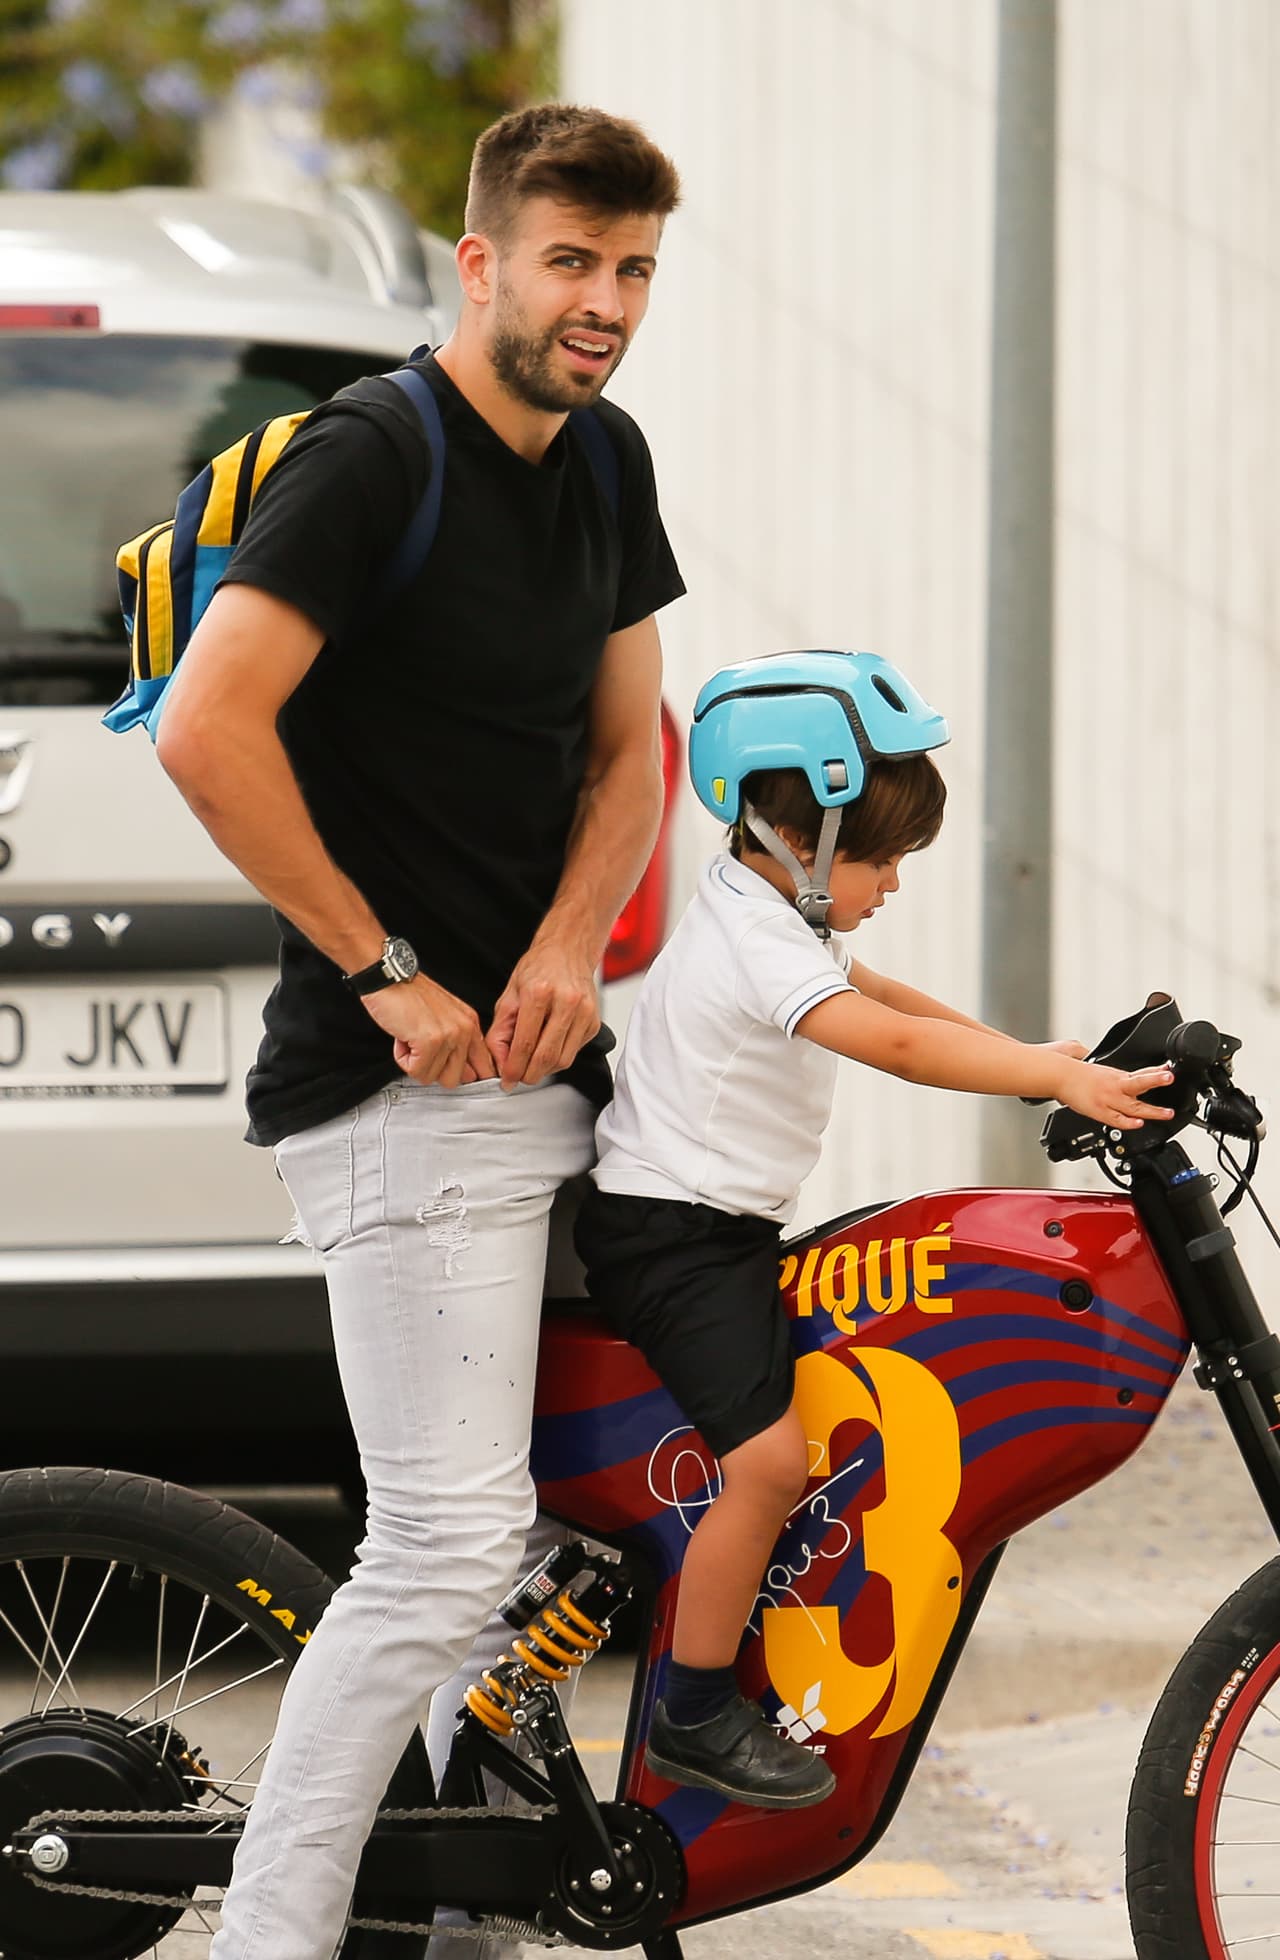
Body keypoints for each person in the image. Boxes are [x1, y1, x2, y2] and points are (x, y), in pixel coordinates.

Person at [154, 103, 685, 1959]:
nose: (603, 302)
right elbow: (206, 729)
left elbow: (636, 750)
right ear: (479, 264)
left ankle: (477, 1921)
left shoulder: (603, 462)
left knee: (528, 1556)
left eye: (630, 268)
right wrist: (388, 965)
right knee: (445, 1550)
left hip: (542, 1077)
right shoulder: (380, 460)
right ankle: (270, 1941)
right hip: (396, 1091)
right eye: (569, 262)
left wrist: (560, 942)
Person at [574, 647, 1176, 1810]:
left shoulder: (768, 910)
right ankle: (691, 1710)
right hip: (672, 1239)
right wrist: (1043, 1083)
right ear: (795, 840)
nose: (891, 881)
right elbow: (887, 1044)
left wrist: (1034, 1060)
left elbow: (893, 999)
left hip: (716, 1229)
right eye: (880, 858)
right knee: (767, 1465)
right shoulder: (754, 937)